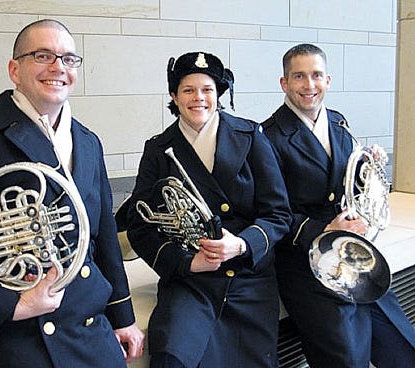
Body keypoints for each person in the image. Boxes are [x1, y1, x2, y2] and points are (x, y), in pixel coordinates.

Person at [0, 19, 144, 367]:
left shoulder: (87, 142)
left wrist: (123, 317)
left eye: (69, 59)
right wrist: (11, 304)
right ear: (15, 69)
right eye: (43, 55)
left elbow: (100, 239)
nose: (58, 67)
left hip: (86, 328)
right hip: (9, 335)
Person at [126, 51, 291, 368]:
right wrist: (188, 263)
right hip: (190, 282)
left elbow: (278, 214)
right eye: (188, 90)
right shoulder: (158, 149)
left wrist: (241, 244)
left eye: (207, 90)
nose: (198, 98)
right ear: (174, 96)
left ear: (219, 94)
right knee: (173, 358)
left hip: (248, 279)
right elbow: (140, 226)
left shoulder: (251, 136)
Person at [262, 43, 415, 368]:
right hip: (306, 267)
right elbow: (271, 214)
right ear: (284, 83)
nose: (309, 85)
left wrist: (369, 168)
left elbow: (349, 183)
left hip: (353, 258)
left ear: (328, 80)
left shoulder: (339, 123)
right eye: (299, 76)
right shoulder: (269, 137)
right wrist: (325, 230)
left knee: (404, 347)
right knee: (345, 359)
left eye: (316, 75)